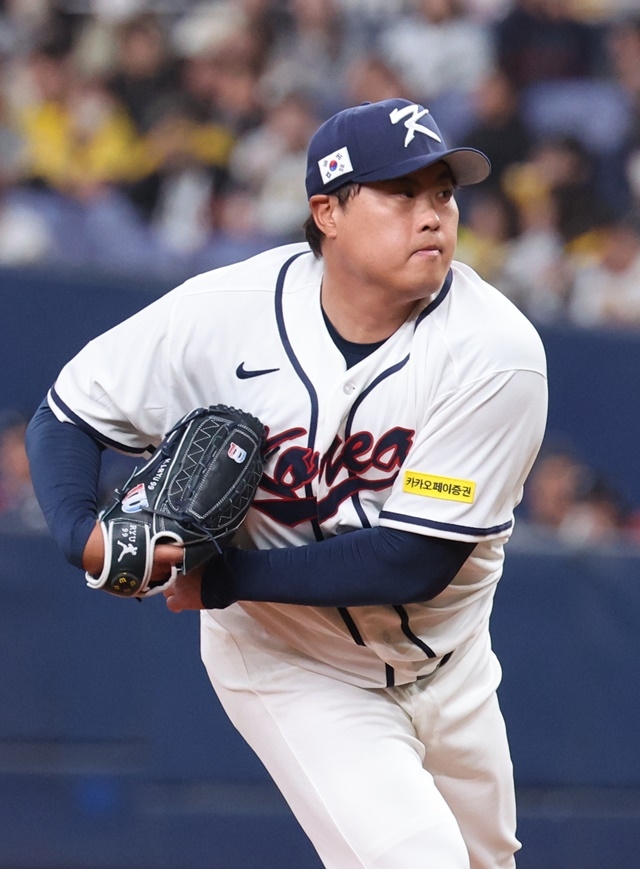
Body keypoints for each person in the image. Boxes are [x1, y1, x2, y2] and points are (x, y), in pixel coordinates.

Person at [25, 98, 548, 869]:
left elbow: (414, 558)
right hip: (290, 658)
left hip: (453, 659)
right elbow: (67, 413)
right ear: (326, 211)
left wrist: (221, 578)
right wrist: (82, 534)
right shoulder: (226, 313)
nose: (433, 215)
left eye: (443, 193)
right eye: (401, 192)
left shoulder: (495, 350)